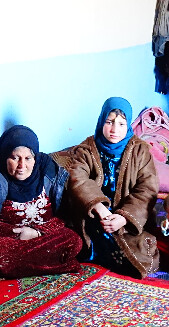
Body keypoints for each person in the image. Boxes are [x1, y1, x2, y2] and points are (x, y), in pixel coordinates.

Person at [0, 125, 82, 278]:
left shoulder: (48, 169)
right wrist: (17, 233)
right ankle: (61, 265)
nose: (22, 166)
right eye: (15, 158)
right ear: (4, 156)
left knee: (74, 240)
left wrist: (36, 232)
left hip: (43, 235)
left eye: (28, 158)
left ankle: (17, 267)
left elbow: (63, 215)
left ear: (35, 158)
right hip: (10, 239)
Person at [65, 97, 160, 278]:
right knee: (74, 245)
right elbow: (77, 178)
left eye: (121, 124)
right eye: (109, 122)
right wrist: (98, 206)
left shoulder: (140, 151)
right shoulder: (87, 149)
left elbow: (147, 189)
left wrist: (124, 218)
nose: (115, 130)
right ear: (102, 120)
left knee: (142, 256)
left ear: (128, 125)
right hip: (93, 217)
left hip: (127, 222)